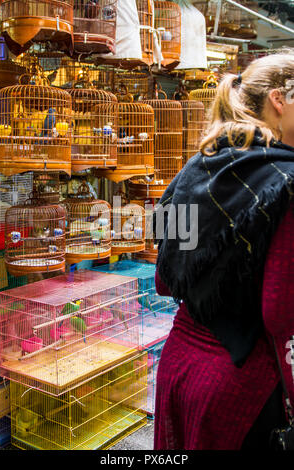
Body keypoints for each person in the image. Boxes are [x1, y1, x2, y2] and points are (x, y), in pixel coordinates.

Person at [153, 50, 294, 450]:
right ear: (279, 101)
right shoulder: (286, 182)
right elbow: (281, 312)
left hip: (179, 366)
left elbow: (164, 280)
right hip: (243, 386)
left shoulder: (194, 168)